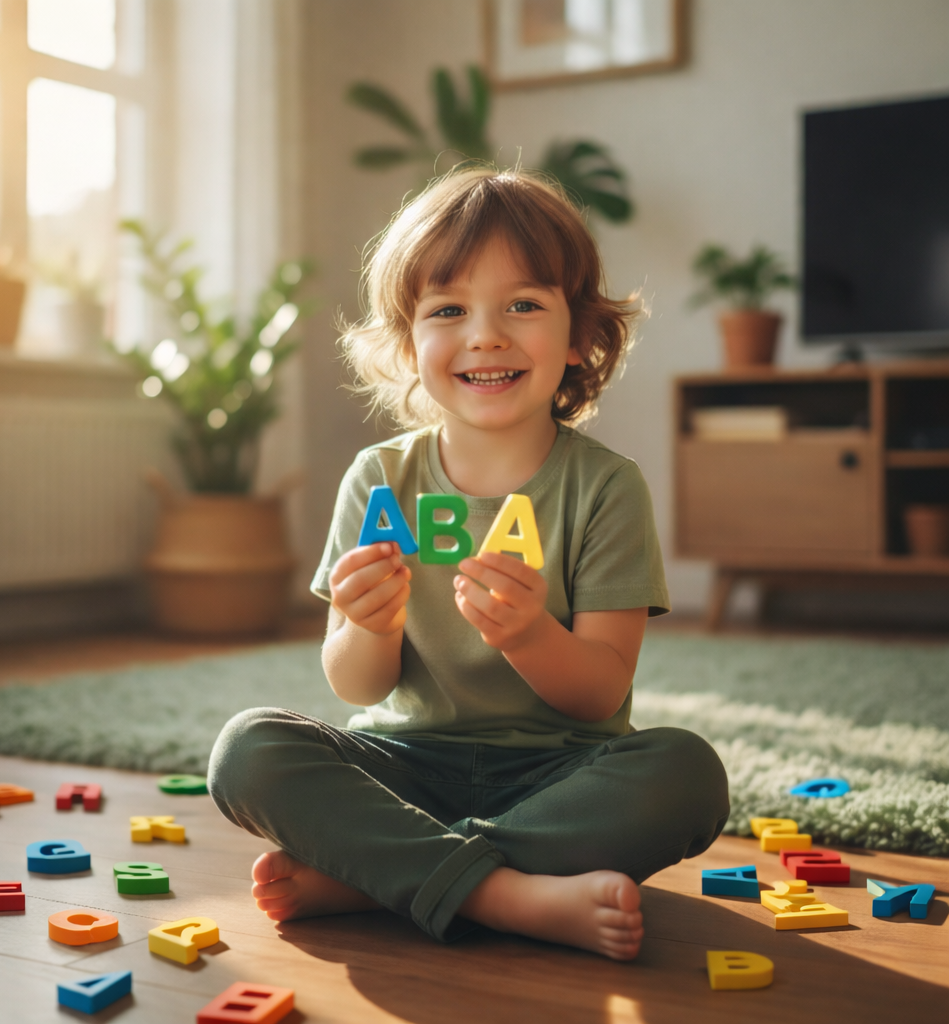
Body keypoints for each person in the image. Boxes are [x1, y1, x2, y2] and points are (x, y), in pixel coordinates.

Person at [208, 168, 728, 961]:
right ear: (407, 343)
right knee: (247, 750)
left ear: (582, 334)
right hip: (404, 765)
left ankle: (378, 876)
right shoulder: (378, 478)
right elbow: (356, 686)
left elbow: (599, 694)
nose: (485, 334)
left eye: (523, 304)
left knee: (687, 773)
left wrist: (526, 634)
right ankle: (506, 895)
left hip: (559, 773)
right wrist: (369, 625)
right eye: (448, 310)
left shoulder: (606, 487)